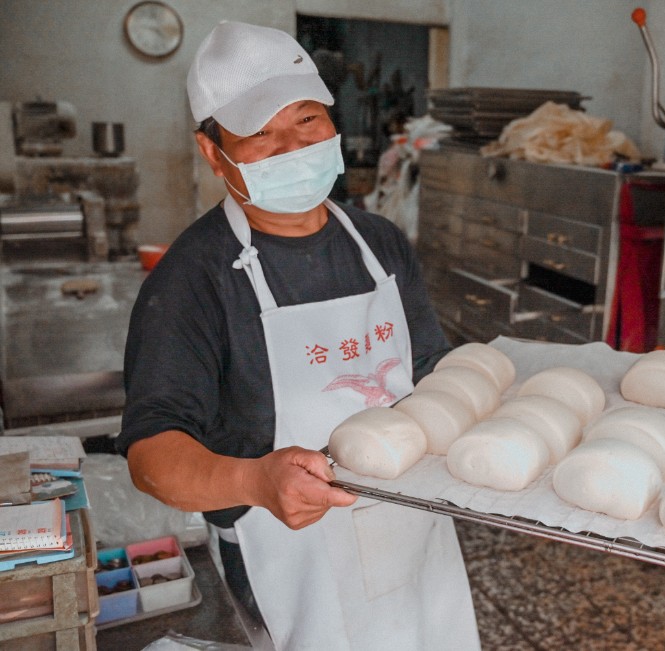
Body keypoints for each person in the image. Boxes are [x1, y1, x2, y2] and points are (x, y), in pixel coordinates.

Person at [116, 21, 481, 651]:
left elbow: (430, 369)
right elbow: (152, 456)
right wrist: (255, 481)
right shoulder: (192, 278)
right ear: (213, 152)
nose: (290, 145)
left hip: (416, 530)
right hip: (289, 552)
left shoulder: (380, 243)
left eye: (307, 119)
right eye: (259, 133)